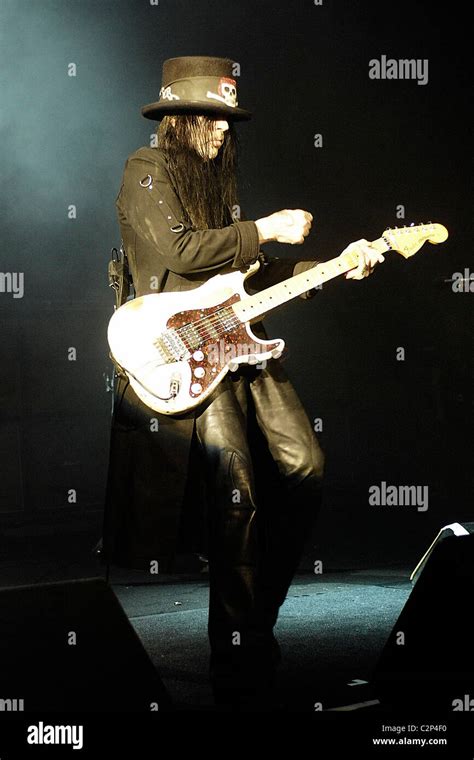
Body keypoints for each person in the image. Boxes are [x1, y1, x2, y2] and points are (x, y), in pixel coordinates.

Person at [100, 56, 383, 711]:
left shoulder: (216, 180)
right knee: (237, 499)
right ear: (178, 119)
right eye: (213, 119)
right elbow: (179, 252)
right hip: (184, 351)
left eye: (230, 121)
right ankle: (237, 661)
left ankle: (257, 621)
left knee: (305, 465)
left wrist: (335, 264)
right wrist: (265, 226)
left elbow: (246, 271)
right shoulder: (144, 171)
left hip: (239, 342)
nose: (224, 131)